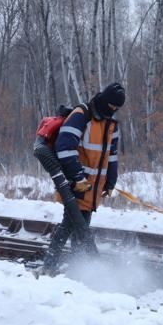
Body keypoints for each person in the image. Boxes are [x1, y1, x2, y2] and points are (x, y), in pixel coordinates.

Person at [42, 82, 125, 274]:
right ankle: (52, 267)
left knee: (79, 226)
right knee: (72, 225)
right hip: (76, 183)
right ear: (104, 100)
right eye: (111, 106)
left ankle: (76, 269)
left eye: (116, 108)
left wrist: (111, 181)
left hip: (92, 186)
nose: (112, 110)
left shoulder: (111, 124)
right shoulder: (82, 115)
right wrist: (78, 177)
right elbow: (64, 147)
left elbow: (111, 156)